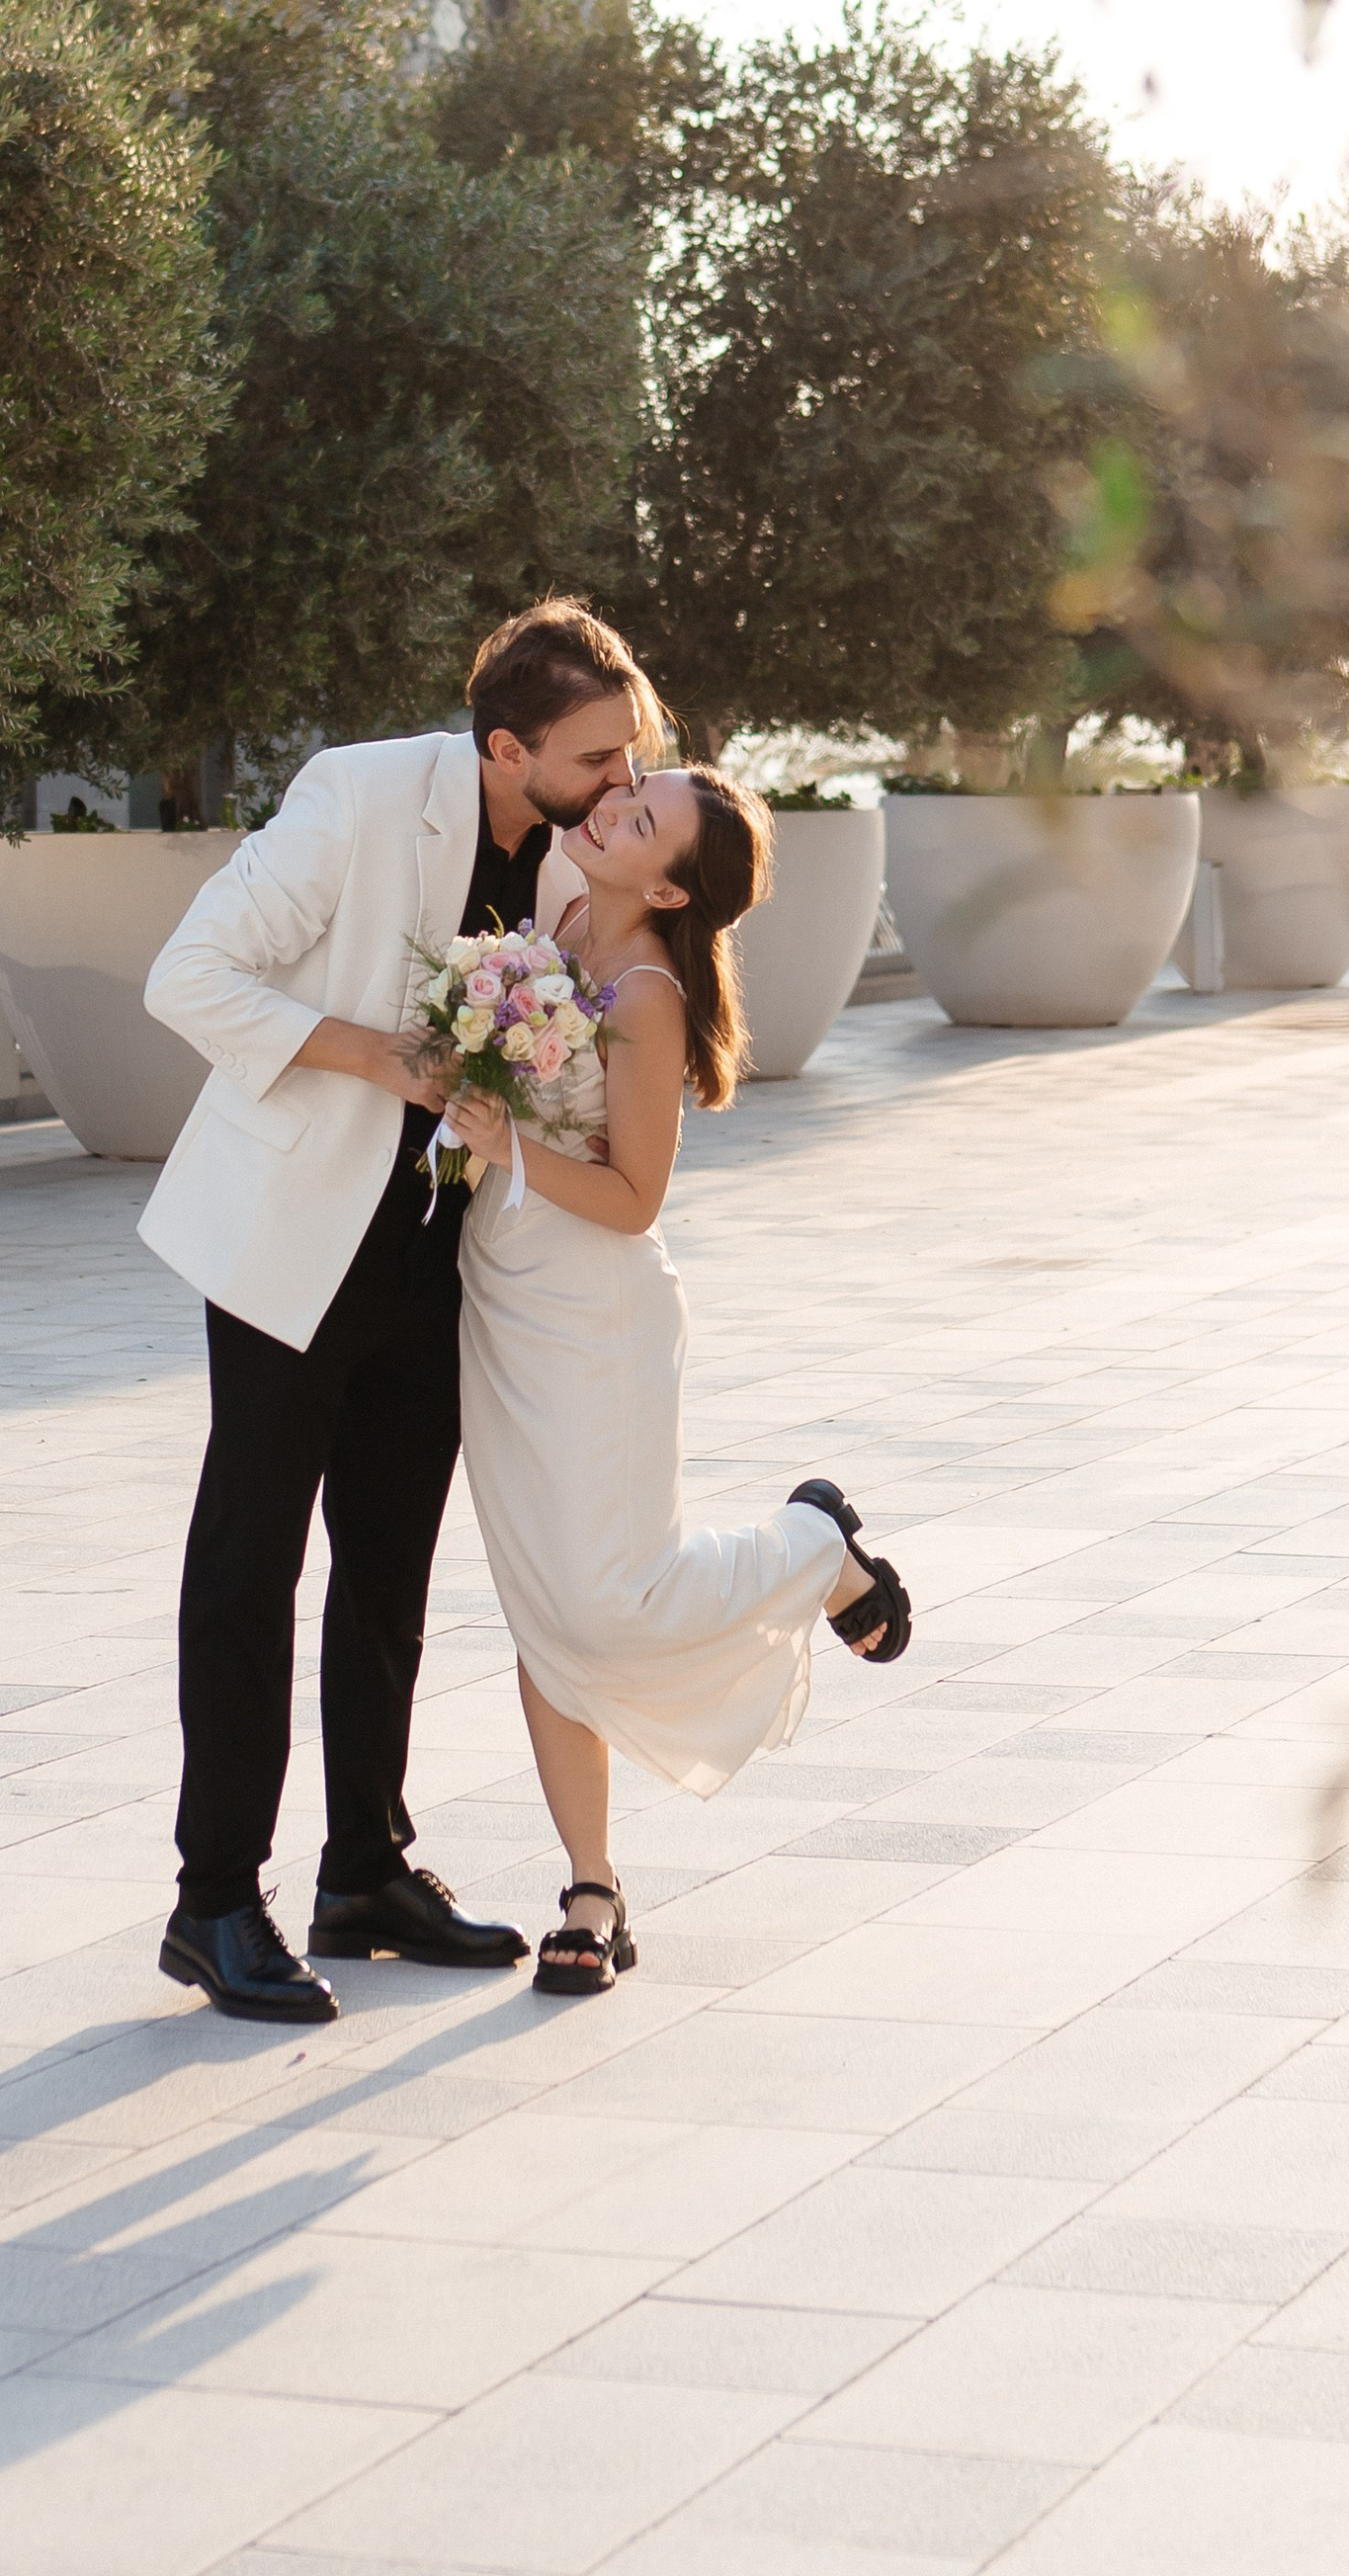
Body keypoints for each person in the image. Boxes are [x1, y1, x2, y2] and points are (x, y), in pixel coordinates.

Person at [137, 600, 664, 2022]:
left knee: (389, 1568)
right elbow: (186, 976)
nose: (625, 781)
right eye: (597, 756)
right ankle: (212, 1900)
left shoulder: (572, 853)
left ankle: (366, 1866)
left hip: (440, 1253)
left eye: (634, 754)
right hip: (289, 1241)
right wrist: (375, 1054)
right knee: (251, 1565)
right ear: (508, 749)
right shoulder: (360, 796)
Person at [449, 764, 912, 1995]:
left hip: (597, 1314)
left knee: (611, 1599)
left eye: (638, 817)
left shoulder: (645, 991)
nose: (610, 805)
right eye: (628, 788)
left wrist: (505, 1143)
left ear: (665, 883)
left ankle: (811, 1544)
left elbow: (632, 1196)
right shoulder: (555, 913)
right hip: (499, 1293)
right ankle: (589, 1889)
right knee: (546, 1608)